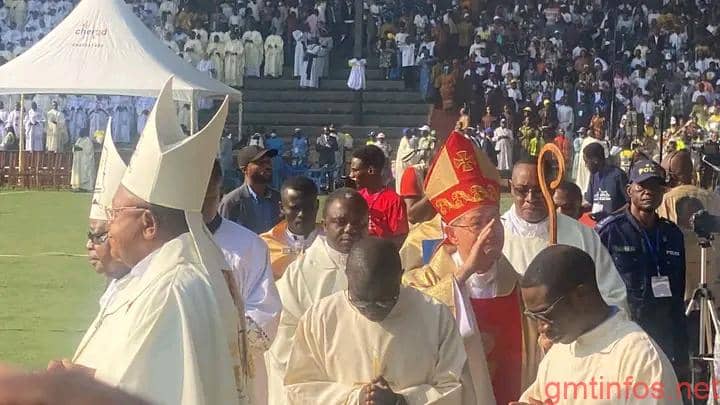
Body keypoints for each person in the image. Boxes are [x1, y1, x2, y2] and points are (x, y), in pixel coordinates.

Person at [52, 79, 246, 404]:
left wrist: (75, 387)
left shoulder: (171, 290)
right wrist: (86, 376)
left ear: (149, 223)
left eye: (115, 213)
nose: (109, 226)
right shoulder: (179, 270)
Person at [403, 131, 521, 405]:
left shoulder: (519, 285)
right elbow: (411, 325)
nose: (490, 230)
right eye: (478, 223)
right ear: (451, 234)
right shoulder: (419, 282)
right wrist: (465, 272)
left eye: (495, 219)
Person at [284, 238, 472, 404]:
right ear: (347, 275)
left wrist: (403, 401)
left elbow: (455, 386)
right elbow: (299, 387)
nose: (371, 310)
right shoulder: (321, 318)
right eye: (360, 301)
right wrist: (357, 398)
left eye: (383, 302)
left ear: (401, 275)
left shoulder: (435, 315)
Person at [513, 245, 679, 405]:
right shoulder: (558, 354)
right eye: (534, 316)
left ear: (581, 294)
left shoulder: (640, 358)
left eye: (546, 314)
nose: (541, 328)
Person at [266, 188, 369, 405]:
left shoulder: (379, 265)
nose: (350, 229)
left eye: (358, 223)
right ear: (324, 224)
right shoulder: (300, 276)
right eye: (340, 222)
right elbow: (284, 342)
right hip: (324, 390)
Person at [597, 160, 689, 380]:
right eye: (642, 186)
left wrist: (683, 350)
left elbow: (678, 295)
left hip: (663, 333)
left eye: (655, 187)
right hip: (624, 333)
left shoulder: (672, 234)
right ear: (629, 190)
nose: (649, 192)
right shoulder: (609, 232)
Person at [202, 159, 281, 405]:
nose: (193, 206)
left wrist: (209, 336)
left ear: (219, 194)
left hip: (232, 370)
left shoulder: (248, 246)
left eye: (204, 197)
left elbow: (264, 315)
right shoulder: (161, 244)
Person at [501, 160, 628, 312]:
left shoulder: (582, 235)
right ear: (511, 187)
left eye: (539, 190)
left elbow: (614, 295)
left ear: (552, 189)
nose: (530, 198)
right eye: (521, 190)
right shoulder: (496, 235)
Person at [72, 130, 131, 370]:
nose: (89, 245)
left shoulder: (147, 292)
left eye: (98, 236)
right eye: (90, 235)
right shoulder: (115, 283)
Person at [261, 176, 321, 280]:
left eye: (307, 207)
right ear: (282, 208)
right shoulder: (264, 245)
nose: (301, 214)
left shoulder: (331, 240)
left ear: (317, 206)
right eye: (295, 208)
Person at [350, 145, 409, 248]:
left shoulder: (394, 201)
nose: (351, 175)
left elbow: (400, 238)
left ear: (371, 170)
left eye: (355, 170)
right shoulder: (356, 197)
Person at [219, 145, 281, 234]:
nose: (267, 166)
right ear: (244, 169)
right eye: (261, 163)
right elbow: (223, 237)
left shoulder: (278, 199)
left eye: (268, 162)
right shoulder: (231, 202)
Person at [583, 142, 629, 219]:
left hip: (617, 225)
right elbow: (590, 202)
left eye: (586, 161)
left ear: (595, 160)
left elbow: (631, 203)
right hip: (599, 225)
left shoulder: (618, 175)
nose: (585, 165)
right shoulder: (593, 176)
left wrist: (612, 215)